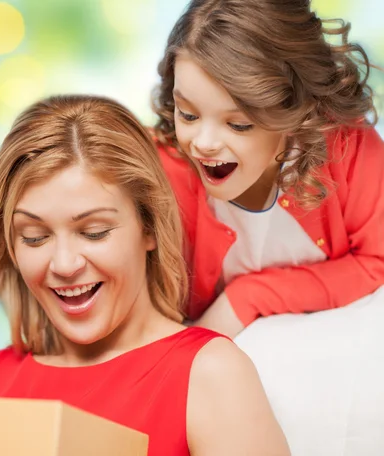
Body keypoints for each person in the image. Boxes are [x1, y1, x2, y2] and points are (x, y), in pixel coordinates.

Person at [0, 95, 289, 456]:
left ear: (148, 227)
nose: (62, 265)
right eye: (34, 237)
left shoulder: (208, 374)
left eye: (94, 232)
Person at [152, 0, 384, 337]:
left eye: (238, 124)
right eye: (188, 114)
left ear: (297, 112)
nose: (203, 143)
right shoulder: (157, 173)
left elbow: (378, 260)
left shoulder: (346, 144)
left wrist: (250, 297)